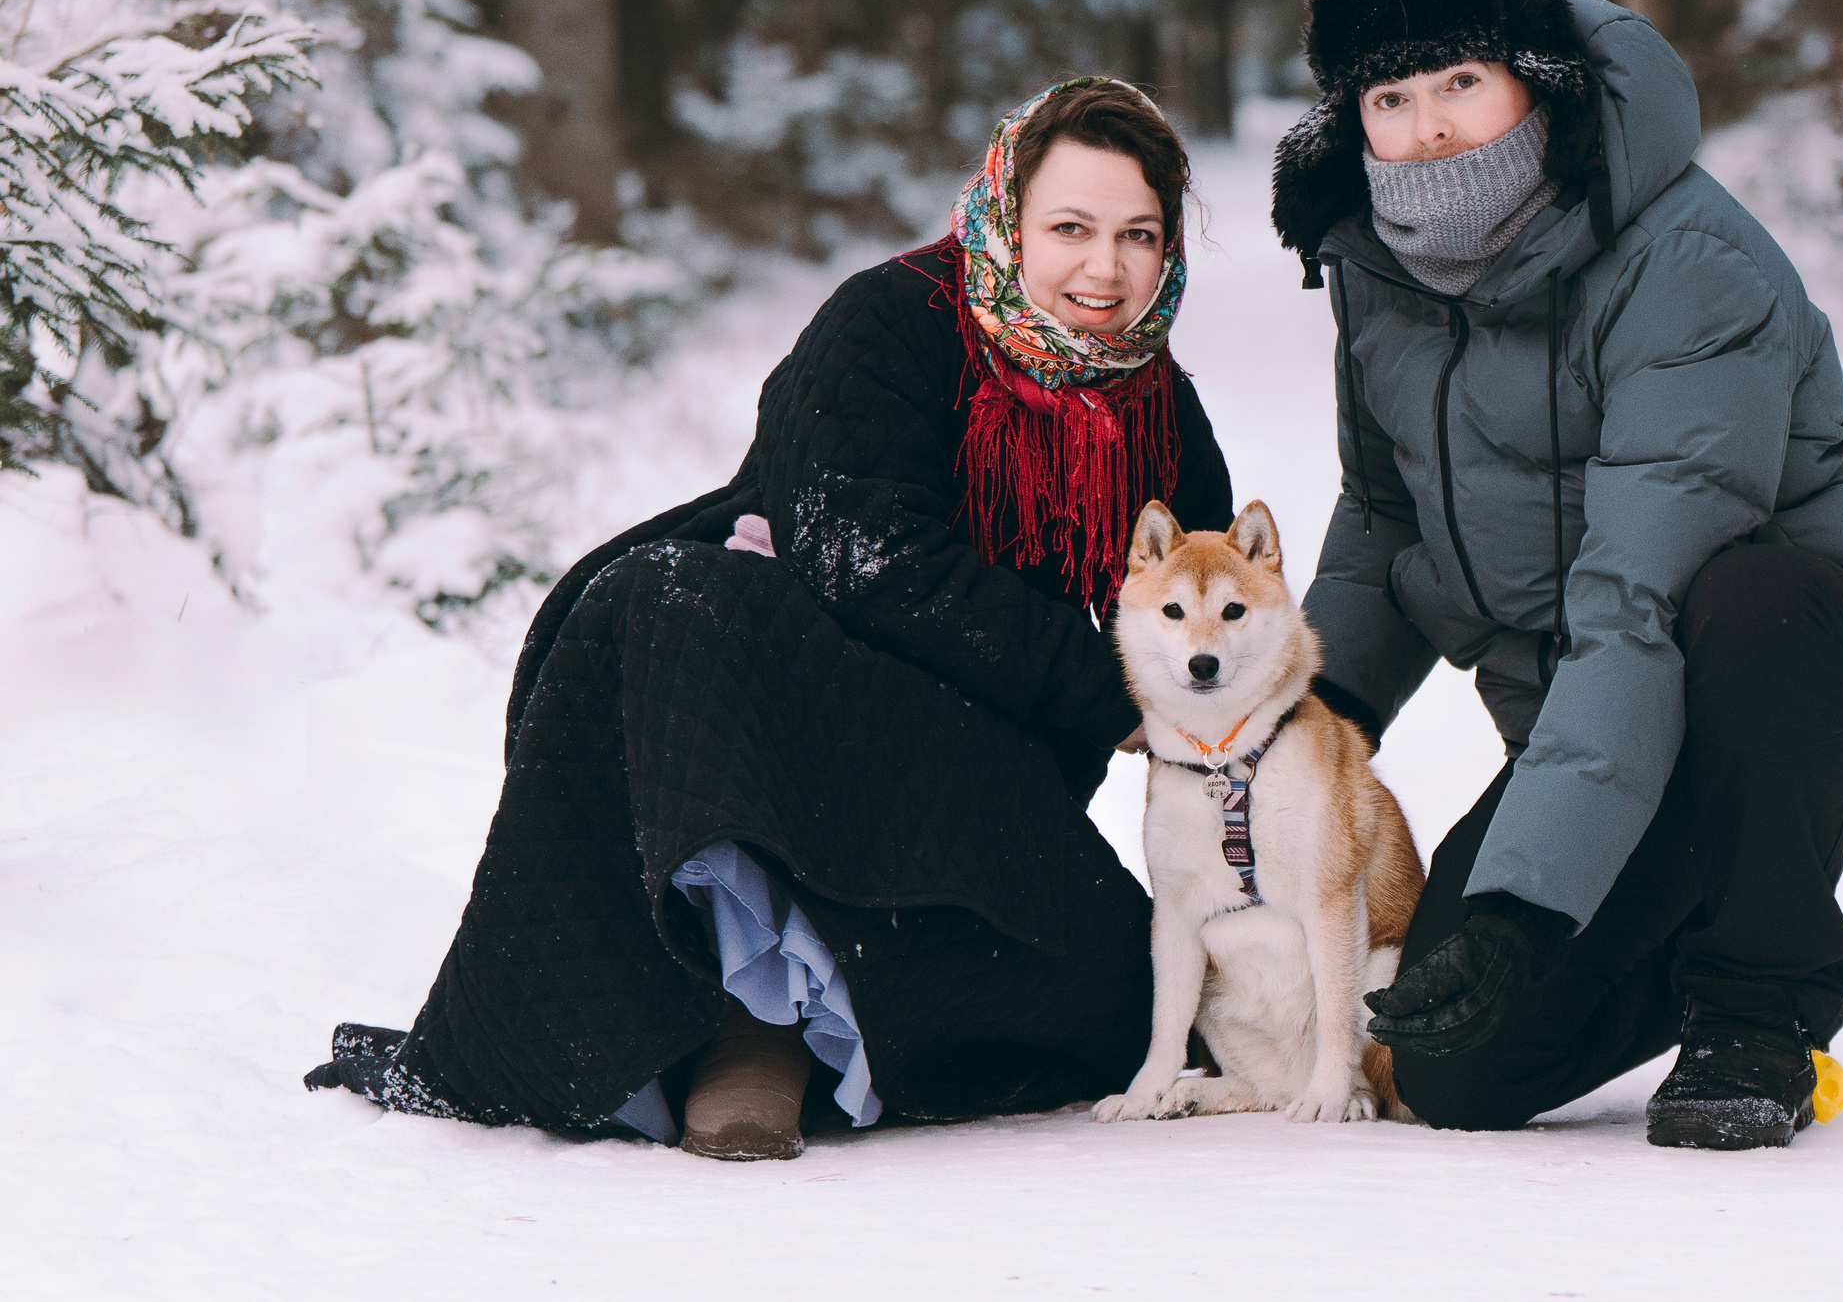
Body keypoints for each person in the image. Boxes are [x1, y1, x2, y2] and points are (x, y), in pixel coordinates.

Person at [307, 79, 1232, 1160]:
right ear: (1007, 217)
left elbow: (1213, 609)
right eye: (1070, 228)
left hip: (984, 770)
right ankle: (750, 1026)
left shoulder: (1154, 401)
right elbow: (863, 556)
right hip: (813, 713)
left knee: (1128, 1003)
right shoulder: (889, 323)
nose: (1104, 269)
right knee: (664, 593)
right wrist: (1104, 688)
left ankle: (848, 1027)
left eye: (1138, 235)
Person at [1271, 0, 1843, 1149]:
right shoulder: (1378, 267)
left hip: (1821, 691)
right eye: (1390, 95)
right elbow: (1381, 528)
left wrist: (1529, 913)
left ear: (1537, 81)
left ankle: (1759, 1012)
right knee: (1452, 1072)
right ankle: (1697, 924)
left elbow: (1638, 595)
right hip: (1595, 727)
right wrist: (1293, 739)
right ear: (1351, 118)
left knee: (1745, 601)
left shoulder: (1684, 259)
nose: (1428, 127)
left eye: (1461, 83)